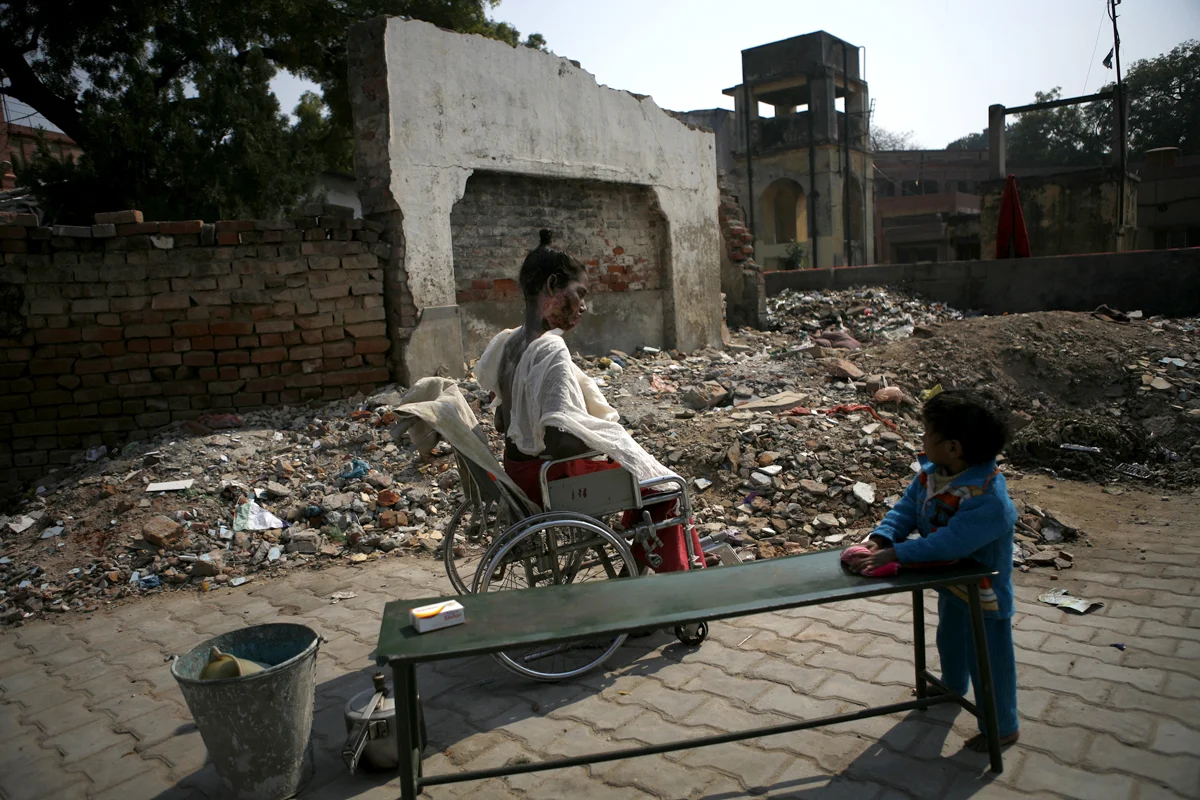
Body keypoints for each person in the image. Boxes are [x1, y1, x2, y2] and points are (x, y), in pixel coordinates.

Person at [475, 229, 704, 574]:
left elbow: (502, 423)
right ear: (552, 286)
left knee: (638, 475)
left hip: (521, 472)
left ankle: (647, 564)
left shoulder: (509, 343)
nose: (584, 306)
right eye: (579, 294)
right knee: (664, 487)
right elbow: (556, 438)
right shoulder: (550, 348)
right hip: (550, 479)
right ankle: (670, 579)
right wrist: (603, 441)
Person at [843, 388, 1019, 752]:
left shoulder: (987, 498)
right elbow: (906, 510)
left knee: (988, 661)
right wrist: (882, 537)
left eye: (927, 432)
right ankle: (952, 687)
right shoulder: (932, 474)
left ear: (953, 448)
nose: (921, 437)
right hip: (952, 583)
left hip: (983, 591)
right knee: (950, 640)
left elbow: (949, 543)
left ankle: (1002, 726)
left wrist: (896, 554)